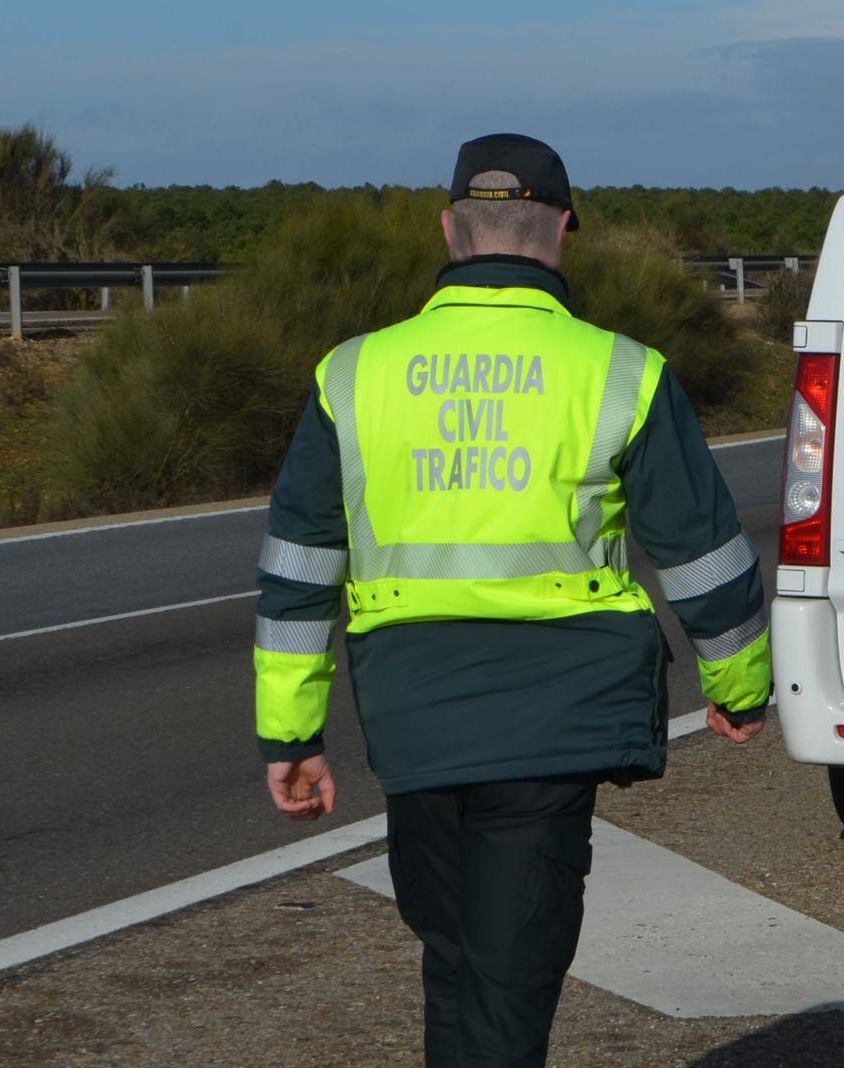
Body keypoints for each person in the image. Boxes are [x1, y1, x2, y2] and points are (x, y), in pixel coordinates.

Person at [252, 133, 771, 1067]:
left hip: (414, 718)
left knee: (457, 961)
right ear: (564, 227)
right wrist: (739, 685)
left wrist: (291, 736)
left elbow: (298, 567)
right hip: (556, 715)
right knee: (505, 970)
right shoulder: (622, 372)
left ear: (450, 228)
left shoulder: (353, 373)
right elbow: (701, 551)